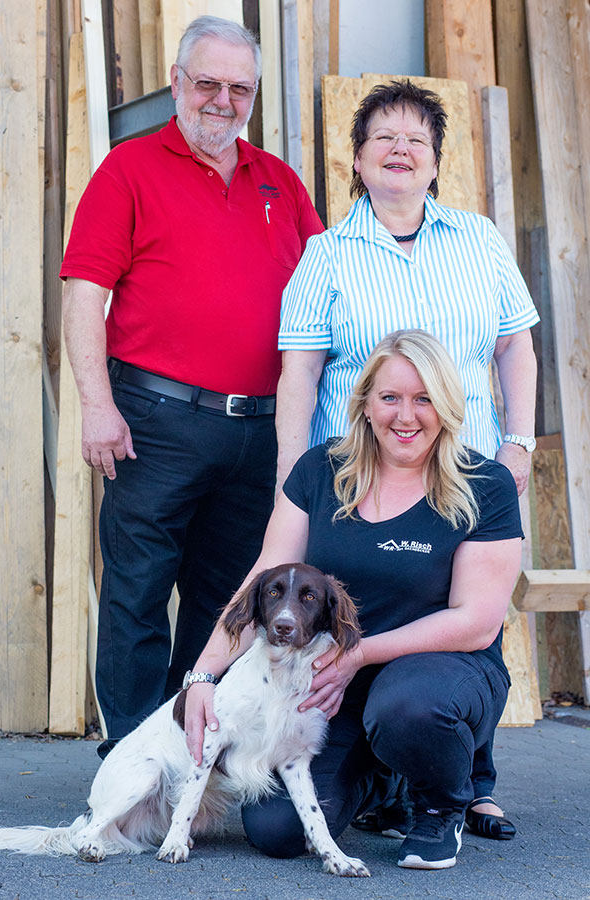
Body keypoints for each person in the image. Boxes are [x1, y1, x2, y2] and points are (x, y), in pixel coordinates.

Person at [274, 79, 539, 838]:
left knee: (471, 617)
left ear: (434, 162)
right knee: (375, 605)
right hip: (361, 474)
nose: (398, 149)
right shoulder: (326, 255)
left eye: (415, 140)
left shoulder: (479, 240)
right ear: (356, 160)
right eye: (382, 137)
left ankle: (468, 779)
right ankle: (367, 771)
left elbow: (515, 343)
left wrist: (518, 441)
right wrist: (294, 478)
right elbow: (300, 368)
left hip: (466, 469)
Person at [59, 16, 323, 758]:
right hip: (155, 419)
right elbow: (84, 293)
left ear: (253, 97)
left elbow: (331, 288)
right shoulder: (129, 169)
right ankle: (134, 762)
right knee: (138, 595)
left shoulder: (281, 181)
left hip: (261, 431)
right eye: (206, 83)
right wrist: (97, 405)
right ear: (176, 82)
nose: (221, 100)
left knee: (228, 601)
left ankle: (190, 757)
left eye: (239, 88)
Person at [184, 330, 524, 870]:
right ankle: (380, 784)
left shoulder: (486, 486)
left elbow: (476, 622)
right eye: (389, 397)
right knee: (276, 831)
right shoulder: (321, 471)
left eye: (424, 398)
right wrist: (204, 675)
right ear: (365, 403)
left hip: (438, 677)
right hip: (324, 687)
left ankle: (438, 804)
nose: (405, 416)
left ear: (448, 406)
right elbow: (263, 582)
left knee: (407, 708)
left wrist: (358, 654)